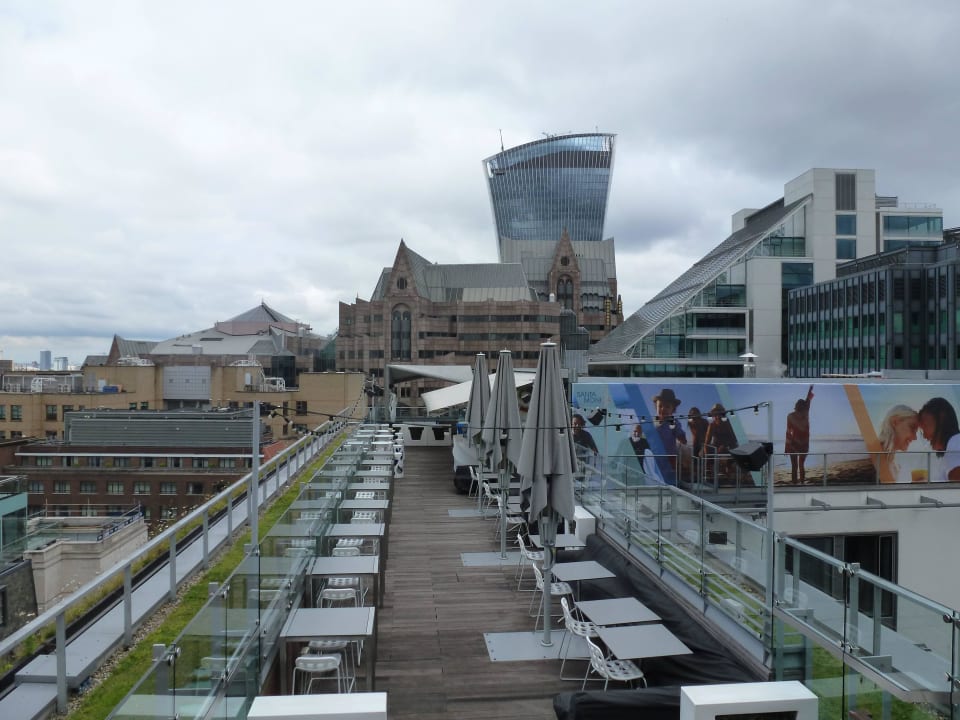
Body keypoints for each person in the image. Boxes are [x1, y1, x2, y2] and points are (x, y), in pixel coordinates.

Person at [918, 397, 960, 482]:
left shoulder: (955, 442)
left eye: (925, 426)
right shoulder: (951, 447)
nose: (924, 436)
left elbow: (956, 485)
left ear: (941, 418)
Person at [875, 404, 920, 483]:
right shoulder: (871, 454)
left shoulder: (895, 468)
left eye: (916, 432)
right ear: (894, 422)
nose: (915, 437)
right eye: (912, 428)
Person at [652, 388, 687, 483]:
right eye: (660, 406)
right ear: (656, 407)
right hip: (654, 456)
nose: (663, 409)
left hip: (669, 457)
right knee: (654, 477)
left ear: (673, 410)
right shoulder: (652, 422)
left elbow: (682, 438)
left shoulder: (673, 422)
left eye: (667, 407)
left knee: (668, 479)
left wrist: (680, 435)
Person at [785, 385, 814, 484]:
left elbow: (788, 432)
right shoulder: (805, 413)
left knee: (795, 466)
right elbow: (807, 401)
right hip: (803, 444)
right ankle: (801, 483)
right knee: (800, 465)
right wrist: (810, 389)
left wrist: (787, 447)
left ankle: (796, 483)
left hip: (795, 444)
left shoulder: (791, 416)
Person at [703, 403, 739, 485]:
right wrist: (707, 456)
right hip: (716, 447)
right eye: (715, 415)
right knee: (703, 452)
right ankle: (711, 475)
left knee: (735, 451)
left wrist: (725, 445)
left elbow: (734, 439)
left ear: (723, 414)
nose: (717, 417)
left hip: (729, 446)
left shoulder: (728, 423)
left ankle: (729, 471)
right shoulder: (711, 425)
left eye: (719, 414)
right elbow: (706, 442)